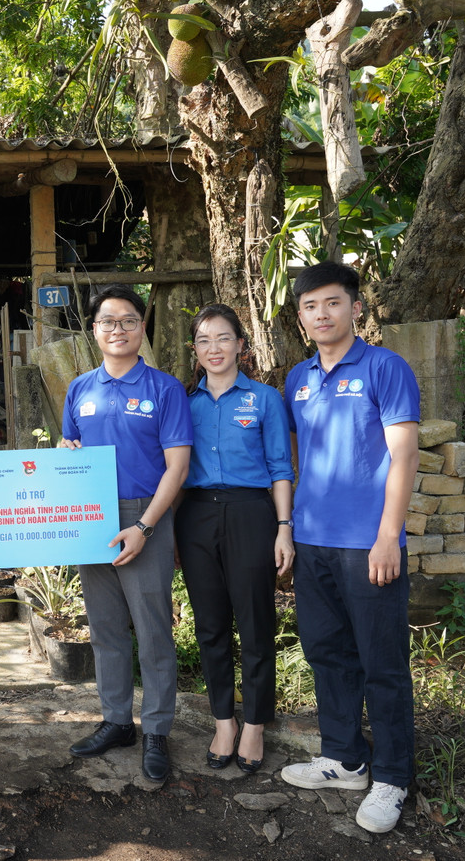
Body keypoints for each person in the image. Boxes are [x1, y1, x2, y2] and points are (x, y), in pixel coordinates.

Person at [279, 261, 420, 835]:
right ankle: (344, 758)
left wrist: (389, 535)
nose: (321, 314)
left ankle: (391, 776)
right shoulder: (298, 378)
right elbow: (295, 458)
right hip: (313, 542)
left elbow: (404, 455)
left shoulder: (386, 368)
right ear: (300, 316)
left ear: (355, 307)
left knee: (382, 664)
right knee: (327, 653)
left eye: (332, 303)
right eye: (310, 307)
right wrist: (287, 528)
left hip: (368, 544)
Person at [58, 284, 192, 784]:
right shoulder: (80, 388)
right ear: (94, 331)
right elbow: (69, 445)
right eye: (107, 322)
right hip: (90, 516)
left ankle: (157, 729)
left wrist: (143, 526)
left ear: (142, 327)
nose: (118, 329)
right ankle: (117, 721)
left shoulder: (164, 389)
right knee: (106, 629)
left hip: (145, 515)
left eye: (128, 320)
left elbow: (177, 468)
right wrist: (65, 452)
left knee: (153, 630)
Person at [174, 305, 295, 776]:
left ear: (241, 345)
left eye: (223, 338)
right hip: (197, 515)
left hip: (251, 512)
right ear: (195, 351)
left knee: (256, 621)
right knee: (210, 626)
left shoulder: (265, 399)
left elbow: (282, 468)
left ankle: (256, 724)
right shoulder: (185, 403)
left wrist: (284, 527)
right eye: (204, 340)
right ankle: (223, 720)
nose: (214, 348)